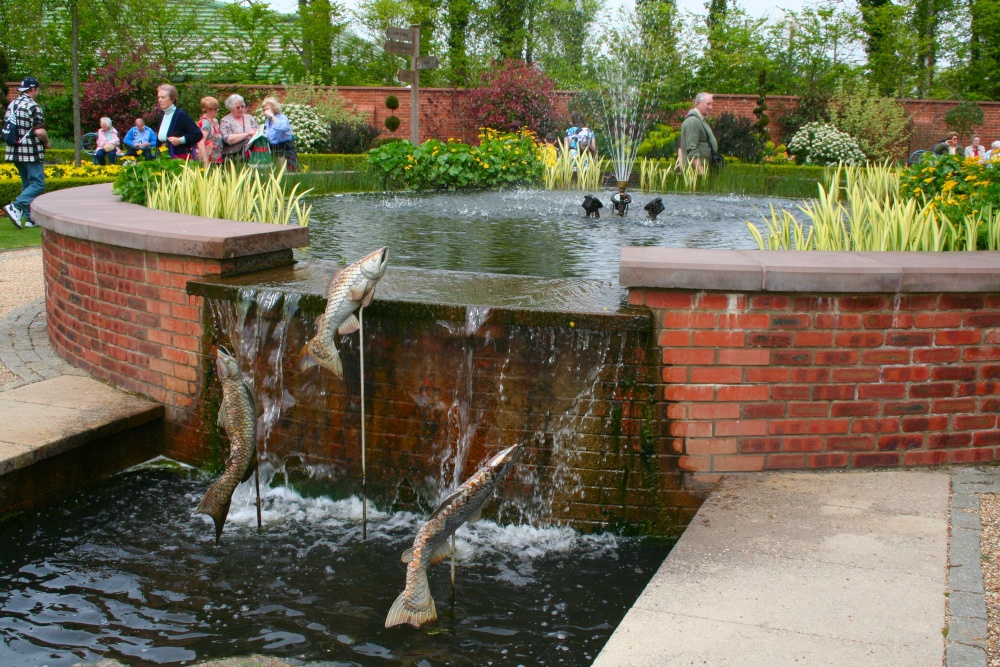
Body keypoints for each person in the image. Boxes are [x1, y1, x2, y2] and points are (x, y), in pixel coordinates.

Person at [3, 76, 49, 229]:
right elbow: (40, 132)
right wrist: (47, 142)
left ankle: (30, 218)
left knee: (27, 184)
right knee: (38, 184)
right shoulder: (33, 106)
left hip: (14, 150)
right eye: (37, 89)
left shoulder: (12, 104)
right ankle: (15, 207)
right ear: (33, 89)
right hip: (30, 150)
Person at [153, 84, 202, 159]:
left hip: (178, 158)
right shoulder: (161, 115)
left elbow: (197, 134)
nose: (160, 100)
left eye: (163, 97)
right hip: (163, 157)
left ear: (172, 99)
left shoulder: (181, 115)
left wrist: (180, 140)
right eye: (158, 97)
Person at [680, 92, 719, 174]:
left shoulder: (700, 120)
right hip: (695, 173)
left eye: (712, 104)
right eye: (708, 104)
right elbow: (692, 149)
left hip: (702, 169)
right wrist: (701, 172)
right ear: (698, 103)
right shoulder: (693, 121)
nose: (711, 107)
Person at [260, 96, 297, 171]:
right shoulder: (268, 121)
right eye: (264, 110)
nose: (265, 111)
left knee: (286, 173)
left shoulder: (282, 117)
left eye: (267, 109)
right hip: (273, 151)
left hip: (285, 150)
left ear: (274, 108)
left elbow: (283, 127)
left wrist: (272, 116)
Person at [219, 94, 259, 163]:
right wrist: (247, 134)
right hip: (235, 156)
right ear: (231, 108)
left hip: (252, 154)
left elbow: (257, 131)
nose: (240, 109)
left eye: (242, 106)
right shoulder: (225, 121)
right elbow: (228, 139)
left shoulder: (249, 118)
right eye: (237, 107)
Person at [197, 96, 223, 167]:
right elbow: (201, 143)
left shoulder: (214, 121)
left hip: (215, 158)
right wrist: (206, 162)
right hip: (209, 160)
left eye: (217, 108)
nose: (218, 110)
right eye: (215, 109)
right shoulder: (206, 122)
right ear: (207, 110)